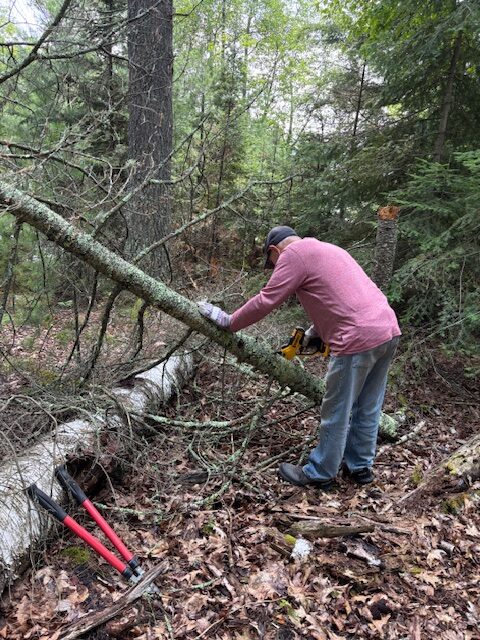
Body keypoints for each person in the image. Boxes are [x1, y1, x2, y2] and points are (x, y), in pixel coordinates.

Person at [198, 226, 401, 490]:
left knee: (337, 409)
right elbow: (345, 298)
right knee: (368, 405)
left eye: (272, 264)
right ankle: (359, 467)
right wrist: (314, 333)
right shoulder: (330, 249)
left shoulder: (293, 254)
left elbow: (267, 300)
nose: (275, 268)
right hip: (387, 330)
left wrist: (229, 321)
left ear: (274, 251)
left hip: (357, 338)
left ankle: (320, 473)